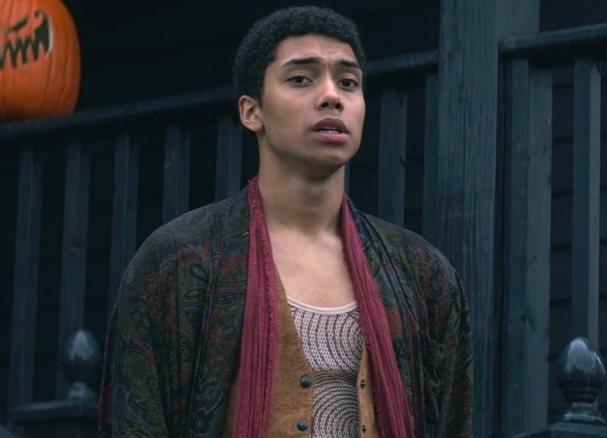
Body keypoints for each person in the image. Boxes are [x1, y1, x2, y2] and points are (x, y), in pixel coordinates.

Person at [99, 6, 472, 437]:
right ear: (251, 111)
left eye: (348, 82)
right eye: (301, 78)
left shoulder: (422, 274)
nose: (332, 95)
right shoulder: (180, 261)